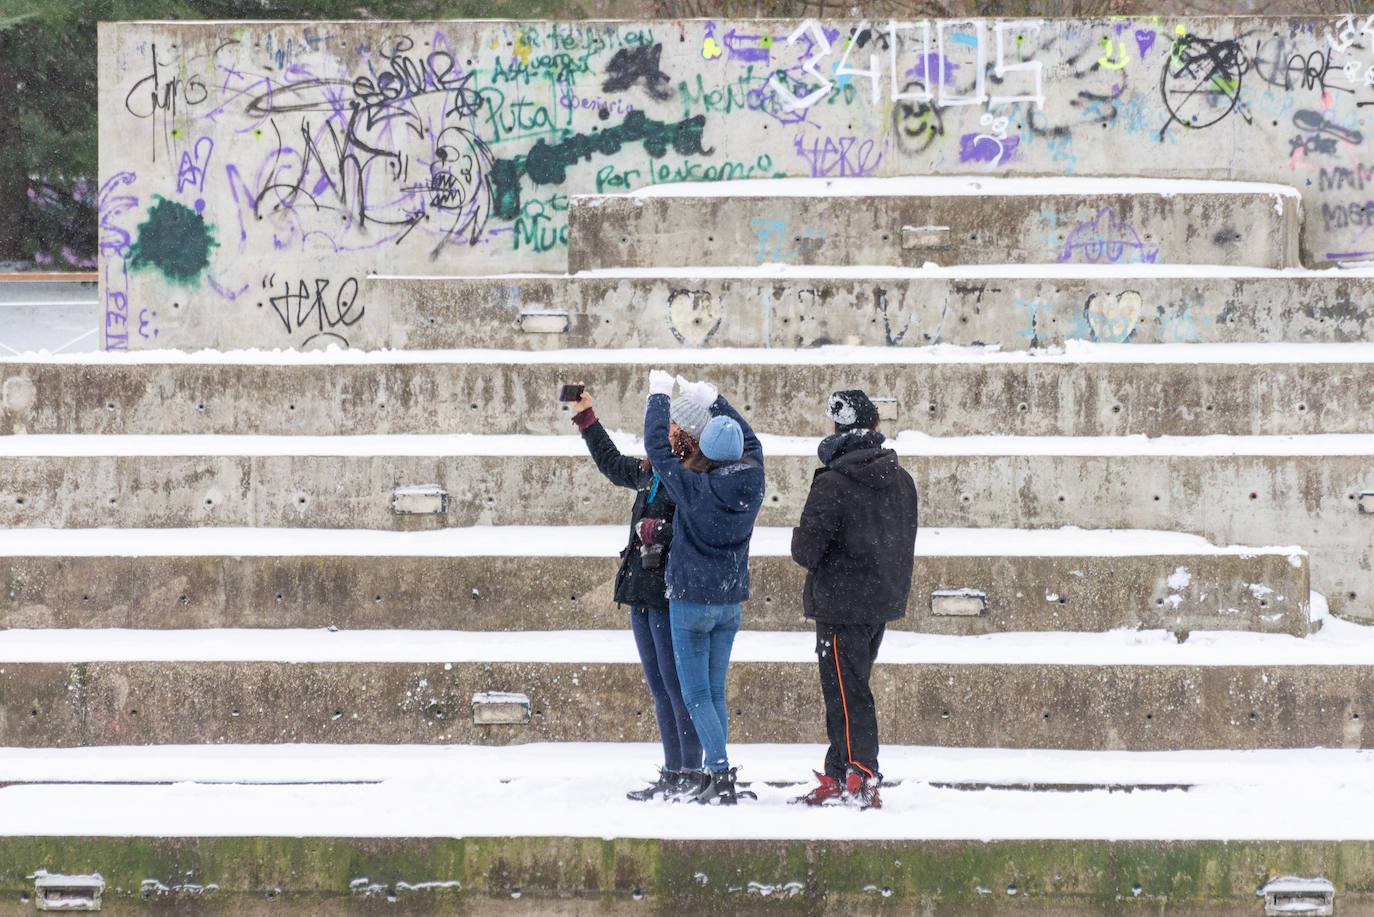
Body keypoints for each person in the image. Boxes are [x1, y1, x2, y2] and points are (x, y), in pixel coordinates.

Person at [570, 382, 708, 800]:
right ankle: (673, 769)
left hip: (670, 596)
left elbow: (700, 531)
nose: (660, 433)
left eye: (669, 427)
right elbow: (612, 464)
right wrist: (586, 418)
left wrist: (661, 532)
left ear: (687, 434)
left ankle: (690, 770)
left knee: (678, 685)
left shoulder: (692, 478)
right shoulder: (652, 472)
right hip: (639, 592)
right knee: (659, 685)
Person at [790, 389, 918, 809]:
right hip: (879, 602)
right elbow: (903, 543)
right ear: (875, 429)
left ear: (837, 430)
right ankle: (839, 771)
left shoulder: (832, 482)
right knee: (847, 690)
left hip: (841, 604)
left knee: (847, 694)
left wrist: (801, 534)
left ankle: (861, 774)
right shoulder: (902, 480)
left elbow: (806, 551)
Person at [643, 372, 765, 805]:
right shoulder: (753, 480)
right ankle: (718, 769)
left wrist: (659, 398)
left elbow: (659, 450)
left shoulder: (695, 486)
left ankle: (719, 771)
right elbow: (752, 444)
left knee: (696, 696)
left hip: (691, 602)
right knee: (714, 693)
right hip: (729, 601)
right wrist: (718, 401)